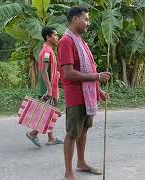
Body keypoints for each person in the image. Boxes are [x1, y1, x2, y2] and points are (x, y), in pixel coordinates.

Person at [58, 6, 112, 180]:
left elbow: (86, 68)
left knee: (84, 130)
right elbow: (68, 73)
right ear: (75, 19)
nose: (88, 23)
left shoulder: (80, 40)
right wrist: (97, 77)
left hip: (87, 95)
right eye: (86, 19)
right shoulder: (67, 41)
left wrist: (99, 90)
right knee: (72, 133)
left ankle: (81, 163)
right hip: (75, 96)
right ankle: (68, 172)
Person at [26, 27, 64, 148]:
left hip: (50, 86)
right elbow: (43, 70)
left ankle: (51, 138)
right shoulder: (46, 52)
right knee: (48, 113)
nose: (57, 37)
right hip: (47, 88)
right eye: (55, 35)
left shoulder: (48, 50)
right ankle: (33, 133)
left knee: (49, 112)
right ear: (48, 37)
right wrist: (48, 88)